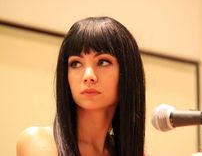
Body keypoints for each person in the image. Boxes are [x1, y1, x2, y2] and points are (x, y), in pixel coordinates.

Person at [16, 16, 146, 156]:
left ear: (127, 73)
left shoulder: (134, 152)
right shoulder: (38, 142)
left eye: (103, 62)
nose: (88, 76)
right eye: (76, 63)